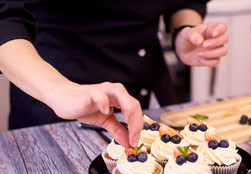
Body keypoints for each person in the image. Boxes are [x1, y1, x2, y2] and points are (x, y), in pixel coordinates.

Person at [0, 0, 228, 148]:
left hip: (148, 91)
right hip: (54, 100)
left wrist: (183, 30)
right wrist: (59, 90)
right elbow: (5, 18)